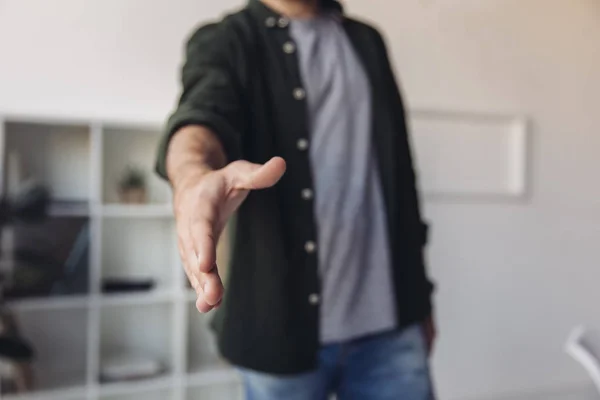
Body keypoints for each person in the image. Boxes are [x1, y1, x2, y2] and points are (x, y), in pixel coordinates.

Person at [156, 0, 437, 398]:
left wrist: (421, 298)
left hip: (392, 326)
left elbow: (400, 177)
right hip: (278, 333)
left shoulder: (368, 41)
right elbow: (201, 115)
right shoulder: (227, 40)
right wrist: (191, 175)